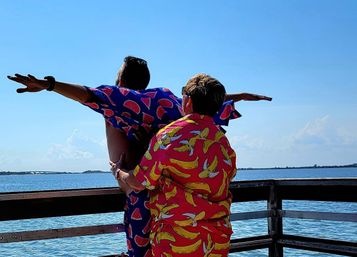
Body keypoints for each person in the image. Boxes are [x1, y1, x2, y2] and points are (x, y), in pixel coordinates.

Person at [8, 58, 271, 256]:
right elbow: (205, 106)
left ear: (120, 83)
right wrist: (237, 96)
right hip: (206, 228)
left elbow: (89, 94)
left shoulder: (138, 107)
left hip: (154, 207)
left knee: (142, 250)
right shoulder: (177, 108)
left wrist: (49, 85)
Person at [114, 73, 237, 256]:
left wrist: (119, 172)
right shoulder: (223, 142)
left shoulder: (169, 135)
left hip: (177, 241)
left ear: (187, 101)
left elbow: (139, 181)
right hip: (216, 241)